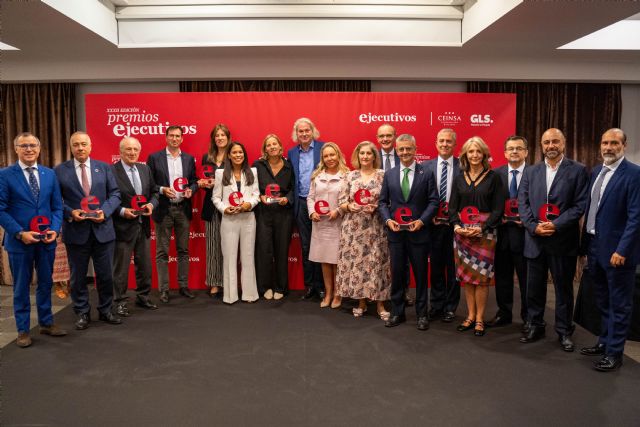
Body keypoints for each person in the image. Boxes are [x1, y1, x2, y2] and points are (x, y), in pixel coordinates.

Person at [518, 128, 588, 351]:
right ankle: (535, 325)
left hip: (562, 240)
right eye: (546, 142)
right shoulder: (531, 171)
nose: (551, 145)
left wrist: (555, 225)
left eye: (555, 141)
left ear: (564, 143)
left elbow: (579, 205)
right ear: (541, 145)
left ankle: (564, 330)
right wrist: (534, 226)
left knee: (563, 289)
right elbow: (523, 203)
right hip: (535, 240)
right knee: (533, 289)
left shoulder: (578, 170)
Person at [579, 128, 640, 372]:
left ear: (624, 145)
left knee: (620, 304)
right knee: (602, 300)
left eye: (614, 143)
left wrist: (622, 250)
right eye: (605, 142)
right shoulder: (597, 172)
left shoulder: (634, 174)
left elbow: (636, 217)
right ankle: (604, 341)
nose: (608, 147)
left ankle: (615, 352)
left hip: (618, 253)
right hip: (595, 247)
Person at [0, 132, 67, 347]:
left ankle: (46, 323)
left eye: (32, 145)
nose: (29, 149)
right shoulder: (5, 175)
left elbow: (57, 206)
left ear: (39, 149)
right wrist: (20, 232)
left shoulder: (49, 174)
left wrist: (55, 230)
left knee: (46, 283)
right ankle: (22, 330)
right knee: (21, 287)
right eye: (24, 145)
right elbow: (1, 209)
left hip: (46, 241)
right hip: (20, 241)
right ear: (16, 149)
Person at [54, 131, 122, 329]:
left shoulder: (104, 168)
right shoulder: (59, 171)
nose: (80, 148)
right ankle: (82, 312)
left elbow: (115, 194)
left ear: (90, 146)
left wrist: (106, 211)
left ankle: (106, 310)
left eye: (84, 144)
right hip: (76, 231)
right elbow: (56, 200)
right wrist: (70, 212)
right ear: (71, 147)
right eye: (76, 145)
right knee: (78, 276)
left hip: (103, 230)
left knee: (106, 275)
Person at [379, 134, 439, 330]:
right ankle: (397, 313)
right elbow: (382, 202)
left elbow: (433, 201)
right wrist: (388, 220)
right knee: (397, 274)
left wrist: (422, 221)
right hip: (396, 234)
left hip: (419, 233)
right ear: (397, 150)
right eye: (401, 149)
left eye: (408, 149)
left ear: (415, 149)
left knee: (421, 275)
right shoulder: (389, 174)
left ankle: (422, 314)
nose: (405, 152)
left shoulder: (427, 173)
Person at [449, 137, 504, 337]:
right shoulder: (459, 177)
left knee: (481, 278)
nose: (474, 155)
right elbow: (452, 207)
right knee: (467, 278)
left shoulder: (494, 177)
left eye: (478, 151)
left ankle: (480, 318)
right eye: (470, 152)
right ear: (465, 154)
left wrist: (483, 227)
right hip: (462, 234)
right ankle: (470, 316)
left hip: (485, 234)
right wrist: (456, 226)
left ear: (484, 154)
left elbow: (498, 209)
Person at [336, 141, 391, 320]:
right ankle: (361, 302)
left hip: (376, 227)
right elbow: (341, 201)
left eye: (369, 153)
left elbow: (388, 201)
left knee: (377, 264)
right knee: (358, 265)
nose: (365, 156)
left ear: (375, 156)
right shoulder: (349, 176)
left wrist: (376, 207)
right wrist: (349, 206)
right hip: (354, 229)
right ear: (357, 156)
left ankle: (380, 303)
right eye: (362, 154)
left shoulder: (383, 175)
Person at [147, 125, 198, 303]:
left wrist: (191, 189)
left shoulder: (189, 159)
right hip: (164, 209)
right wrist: (161, 189)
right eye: (171, 136)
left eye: (178, 136)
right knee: (162, 252)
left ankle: (183, 286)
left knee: (183, 250)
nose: (174, 139)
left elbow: (194, 181)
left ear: (182, 139)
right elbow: (148, 183)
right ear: (166, 137)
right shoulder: (154, 158)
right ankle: (164, 289)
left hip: (183, 208)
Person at [111, 136, 159, 316]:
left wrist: (151, 205)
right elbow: (108, 198)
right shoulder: (112, 171)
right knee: (121, 267)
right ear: (121, 151)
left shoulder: (145, 169)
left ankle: (143, 296)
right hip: (122, 226)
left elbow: (154, 192)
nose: (132, 153)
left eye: (135, 150)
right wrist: (122, 211)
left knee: (145, 264)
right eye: (128, 149)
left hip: (143, 225)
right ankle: (120, 301)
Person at [488, 135, 529, 329]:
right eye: (511, 148)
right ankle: (504, 313)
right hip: (502, 234)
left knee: (527, 280)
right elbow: (490, 204)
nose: (514, 151)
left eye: (518, 148)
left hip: (527, 237)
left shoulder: (535, 173)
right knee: (503, 278)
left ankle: (529, 317)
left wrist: (528, 220)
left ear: (526, 152)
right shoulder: (495, 174)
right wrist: (497, 218)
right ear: (504, 153)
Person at [212, 142, 260, 304]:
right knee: (230, 257)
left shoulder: (252, 171)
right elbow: (216, 198)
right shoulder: (220, 173)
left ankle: (249, 294)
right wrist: (225, 209)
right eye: (235, 152)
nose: (238, 155)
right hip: (229, 220)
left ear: (244, 155)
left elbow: (256, 195)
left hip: (248, 219)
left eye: (241, 152)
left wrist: (249, 204)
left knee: (247, 257)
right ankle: (230, 295)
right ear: (229, 155)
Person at [422, 128, 461, 323]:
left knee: (454, 268)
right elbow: (420, 197)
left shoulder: (463, 166)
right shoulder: (424, 167)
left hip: (455, 227)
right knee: (436, 267)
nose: (445, 144)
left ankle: (451, 307)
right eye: (441, 141)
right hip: (433, 226)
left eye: (449, 141)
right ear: (436, 143)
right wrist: (428, 217)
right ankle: (436, 304)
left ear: (454, 145)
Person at [307, 142, 349, 308]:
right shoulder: (317, 176)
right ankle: (328, 293)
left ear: (338, 155)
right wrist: (312, 212)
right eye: (326, 156)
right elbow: (310, 197)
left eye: (332, 155)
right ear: (322, 158)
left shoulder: (347, 175)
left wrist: (338, 211)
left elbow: (349, 200)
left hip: (338, 223)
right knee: (325, 260)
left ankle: (338, 294)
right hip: (320, 224)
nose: (330, 158)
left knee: (337, 260)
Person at [287, 118, 325, 300]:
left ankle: (324, 286)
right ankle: (310, 286)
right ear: (296, 133)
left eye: (307, 130)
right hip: (301, 203)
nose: (304, 134)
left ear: (312, 131)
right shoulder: (292, 153)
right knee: (306, 246)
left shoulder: (323, 148)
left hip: (322, 204)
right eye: (300, 131)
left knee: (323, 245)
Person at [253, 134, 294, 300]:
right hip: (263, 213)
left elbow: (293, 188)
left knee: (282, 250)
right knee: (264, 250)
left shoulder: (289, 166)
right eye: (268, 145)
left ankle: (281, 287)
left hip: (283, 213)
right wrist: (259, 197)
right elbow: (251, 187)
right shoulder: (257, 165)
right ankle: (265, 287)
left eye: (274, 144)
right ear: (265, 149)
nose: (272, 147)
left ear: (280, 147)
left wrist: (287, 198)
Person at [198, 124, 229, 298]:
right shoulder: (207, 157)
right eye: (217, 135)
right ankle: (214, 282)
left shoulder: (233, 155)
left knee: (228, 246)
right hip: (210, 207)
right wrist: (203, 184)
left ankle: (227, 281)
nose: (220, 138)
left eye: (222, 135)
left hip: (229, 207)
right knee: (212, 247)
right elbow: (205, 180)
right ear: (213, 139)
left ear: (227, 137)